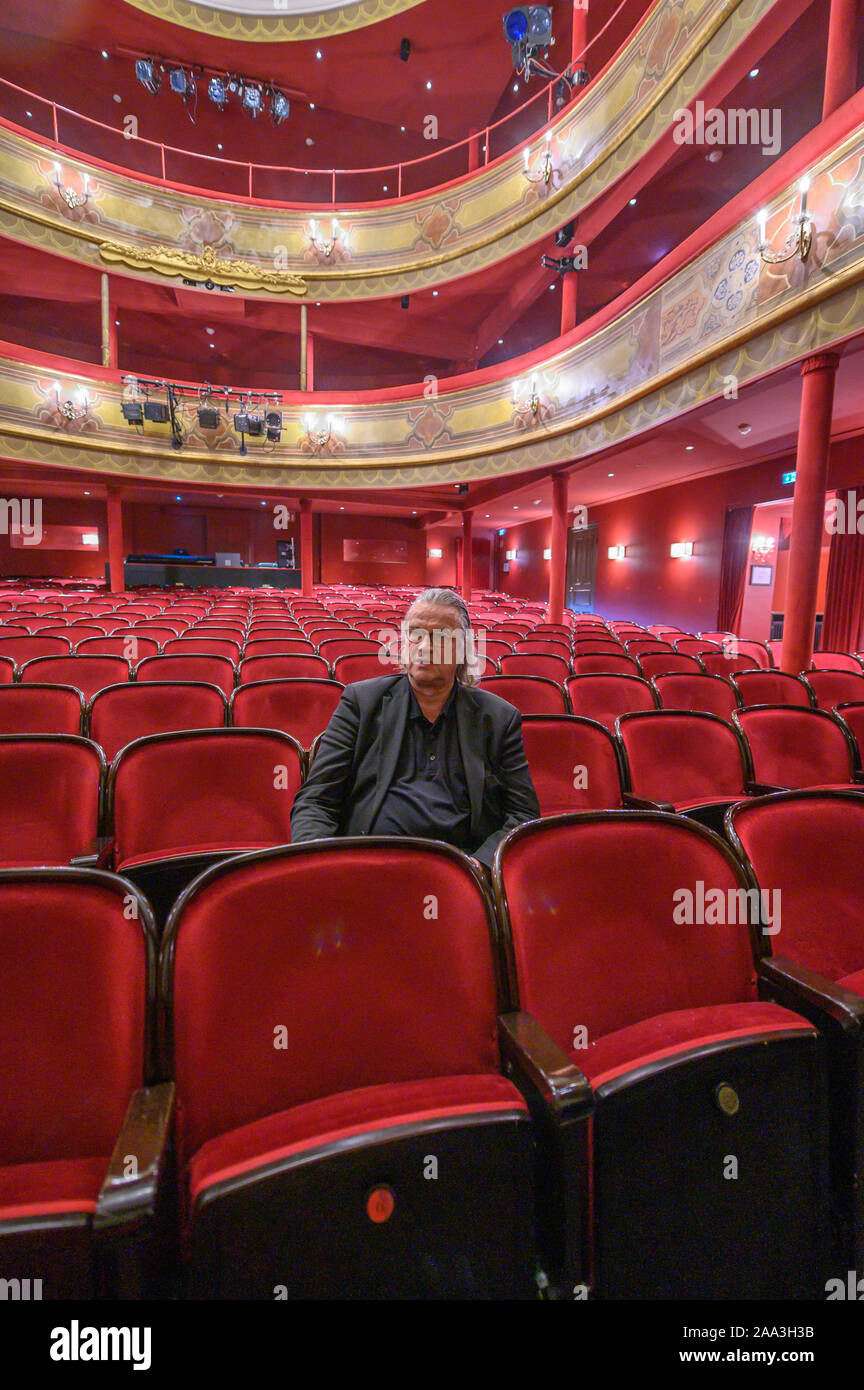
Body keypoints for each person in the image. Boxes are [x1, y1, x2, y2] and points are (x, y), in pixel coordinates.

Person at [290, 588, 540, 869]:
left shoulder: (497, 718)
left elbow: (523, 813)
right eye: (415, 633)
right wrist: (322, 866)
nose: (424, 646)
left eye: (441, 636)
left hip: (460, 871)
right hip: (368, 863)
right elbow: (316, 801)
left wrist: (477, 869)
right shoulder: (361, 703)